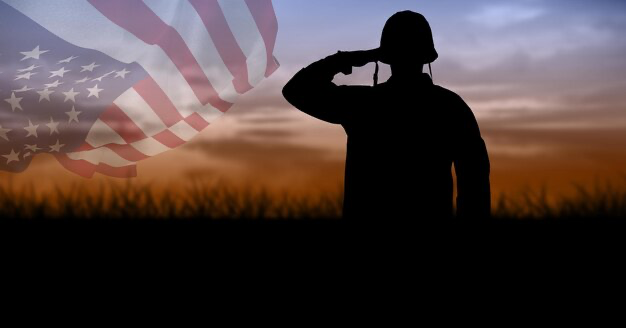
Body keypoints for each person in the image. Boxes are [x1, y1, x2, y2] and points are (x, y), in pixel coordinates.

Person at [282, 11, 491, 220]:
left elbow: (297, 89)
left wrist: (349, 58)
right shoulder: (450, 107)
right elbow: (475, 183)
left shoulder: (364, 105)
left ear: (386, 56)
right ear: (426, 56)